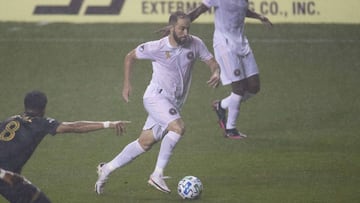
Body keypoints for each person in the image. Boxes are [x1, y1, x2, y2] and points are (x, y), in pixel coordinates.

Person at [94, 11, 220, 194]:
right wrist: (127, 84)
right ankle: (157, 175)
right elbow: (130, 56)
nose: (186, 32)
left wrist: (216, 72)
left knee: (144, 143)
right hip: (156, 97)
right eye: (181, 28)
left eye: (188, 28)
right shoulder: (157, 47)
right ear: (171, 28)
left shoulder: (195, 43)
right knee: (178, 128)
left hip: (173, 103)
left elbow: (211, 62)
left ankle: (106, 169)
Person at [0, 90, 130, 203]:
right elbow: (74, 127)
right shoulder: (40, 123)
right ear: (43, 108)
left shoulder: (9, 120)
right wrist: (108, 124)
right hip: (6, 178)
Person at [186, 0, 273, 139]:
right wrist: (177, 26)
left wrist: (258, 16)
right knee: (238, 89)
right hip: (224, 45)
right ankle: (230, 129)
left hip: (241, 43)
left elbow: (240, 10)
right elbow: (198, 11)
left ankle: (221, 105)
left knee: (254, 86)